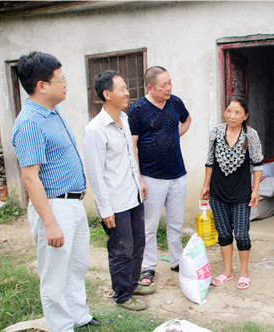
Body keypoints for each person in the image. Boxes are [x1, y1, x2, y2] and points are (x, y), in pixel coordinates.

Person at [11, 51, 98, 331]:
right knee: (55, 275)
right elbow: (30, 178)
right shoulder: (30, 124)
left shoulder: (52, 113)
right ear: (42, 86)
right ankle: (60, 326)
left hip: (72, 203)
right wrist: (50, 224)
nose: (66, 84)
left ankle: (79, 316)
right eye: (61, 79)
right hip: (53, 206)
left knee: (76, 267)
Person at [83, 70, 155, 311]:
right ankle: (122, 295)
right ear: (107, 94)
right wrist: (105, 210)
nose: (127, 93)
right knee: (121, 249)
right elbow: (95, 173)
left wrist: (139, 183)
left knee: (138, 244)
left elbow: (129, 158)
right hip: (115, 203)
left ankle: (133, 283)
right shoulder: (95, 130)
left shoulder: (124, 119)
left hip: (132, 195)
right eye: (122, 88)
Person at [127, 66, 191, 285]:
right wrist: (139, 178)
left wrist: (173, 137)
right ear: (150, 87)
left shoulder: (175, 102)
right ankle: (148, 266)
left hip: (177, 173)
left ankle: (176, 261)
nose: (169, 88)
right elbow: (132, 145)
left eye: (170, 82)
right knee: (149, 226)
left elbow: (187, 120)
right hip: (151, 176)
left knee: (176, 222)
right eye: (163, 85)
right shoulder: (137, 109)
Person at [200, 96, 263, 290]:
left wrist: (255, 190)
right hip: (218, 192)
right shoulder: (216, 132)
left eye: (237, 112)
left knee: (242, 234)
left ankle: (244, 272)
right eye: (229, 111)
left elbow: (257, 164)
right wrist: (206, 185)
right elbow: (210, 161)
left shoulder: (250, 135)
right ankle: (228, 271)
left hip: (241, 193)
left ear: (245, 116)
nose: (232, 116)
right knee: (224, 233)